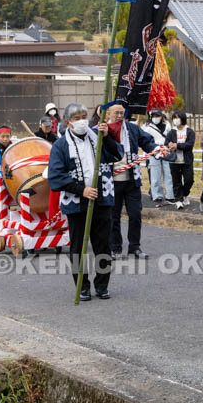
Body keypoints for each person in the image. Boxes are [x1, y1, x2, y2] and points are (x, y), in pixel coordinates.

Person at [47, 102, 123, 302]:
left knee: (103, 245)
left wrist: (107, 138)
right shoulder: (61, 145)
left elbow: (118, 154)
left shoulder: (97, 137)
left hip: (102, 199)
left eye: (84, 116)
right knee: (78, 247)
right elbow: (55, 177)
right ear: (67, 122)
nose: (82, 121)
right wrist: (81, 190)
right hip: (76, 203)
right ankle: (82, 286)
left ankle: (102, 285)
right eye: (76, 118)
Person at [106, 103, 158, 259]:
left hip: (131, 179)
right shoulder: (102, 131)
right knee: (113, 216)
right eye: (116, 113)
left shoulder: (131, 129)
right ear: (108, 114)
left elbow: (147, 142)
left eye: (122, 113)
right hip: (112, 180)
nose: (119, 116)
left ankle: (135, 246)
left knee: (135, 214)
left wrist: (157, 149)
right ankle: (115, 247)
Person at [143, 109, 176, 205]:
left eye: (157, 116)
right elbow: (145, 141)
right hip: (154, 152)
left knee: (169, 174)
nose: (155, 118)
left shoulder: (167, 125)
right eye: (153, 116)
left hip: (166, 150)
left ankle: (170, 195)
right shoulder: (146, 126)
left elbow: (170, 137)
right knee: (155, 175)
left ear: (161, 116)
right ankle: (157, 195)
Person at [165, 110, 195, 210]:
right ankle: (178, 200)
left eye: (177, 118)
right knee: (176, 181)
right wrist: (169, 145)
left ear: (182, 118)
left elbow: (189, 145)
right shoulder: (172, 131)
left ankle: (185, 194)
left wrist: (177, 145)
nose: (176, 120)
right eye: (174, 118)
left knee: (189, 180)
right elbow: (166, 143)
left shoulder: (189, 131)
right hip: (174, 160)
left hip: (186, 160)